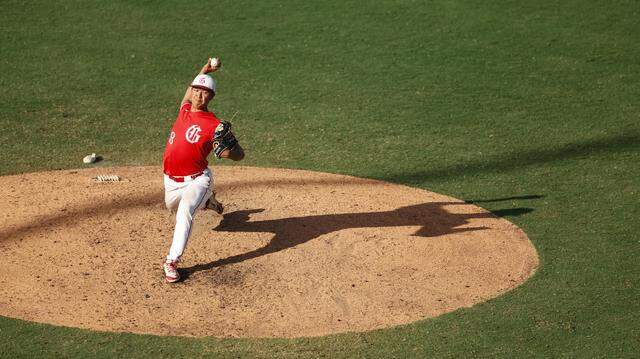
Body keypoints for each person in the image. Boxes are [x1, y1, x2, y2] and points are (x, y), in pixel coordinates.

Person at [161, 58, 245, 283]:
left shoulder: (214, 125)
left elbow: (238, 156)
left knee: (185, 212)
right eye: (197, 90)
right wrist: (205, 70)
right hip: (171, 180)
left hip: (198, 179)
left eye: (205, 92)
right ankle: (208, 203)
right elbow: (189, 92)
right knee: (172, 206)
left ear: (211, 97)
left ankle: (171, 261)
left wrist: (230, 148)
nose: (199, 95)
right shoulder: (185, 110)